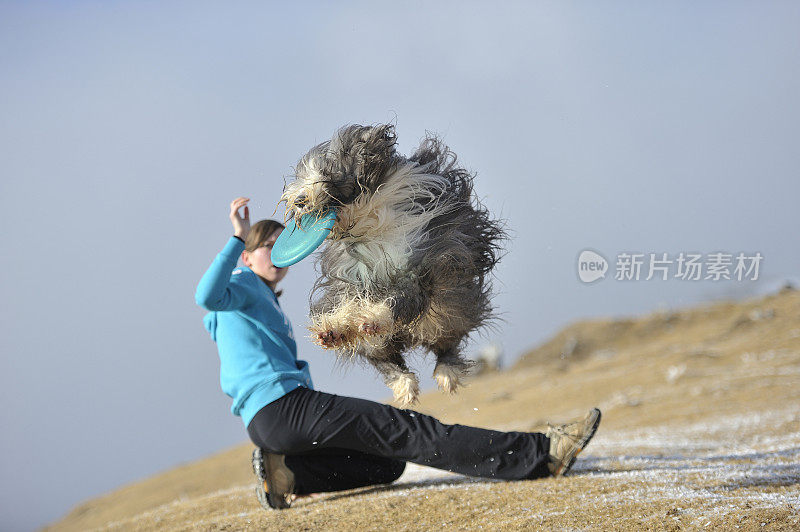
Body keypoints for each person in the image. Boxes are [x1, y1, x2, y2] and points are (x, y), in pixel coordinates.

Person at [195, 197, 602, 510]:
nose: (275, 252)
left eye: (279, 243)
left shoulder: (257, 299)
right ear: (247, 256)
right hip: (285, 408)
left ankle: (287, 473)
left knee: (388, 463)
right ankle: (540, 454)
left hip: (269, 425)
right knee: (408, 429)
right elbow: (205, 295)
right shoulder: (241, 282)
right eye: (265, 245)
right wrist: (235, 238)